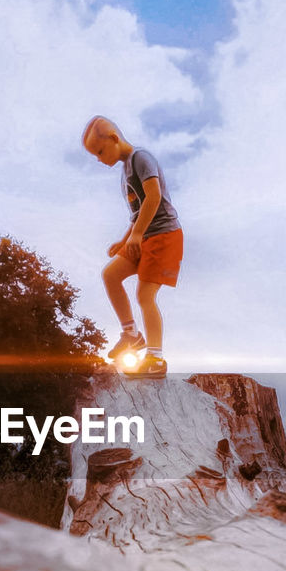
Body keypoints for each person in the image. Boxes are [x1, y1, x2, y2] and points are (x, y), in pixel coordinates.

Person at [81, 115, 183, 379]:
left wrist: (137, 235)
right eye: (95, 155)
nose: (99, 159)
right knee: (110, 275)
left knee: (144, 296)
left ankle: (156, 359)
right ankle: (131, 335)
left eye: (100, 151)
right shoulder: (126, 169)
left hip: (163, 235)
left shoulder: (141, 158)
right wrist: (127, 238)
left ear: (114, 138)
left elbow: (154, 196)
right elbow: (137, 213)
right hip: (142, 235)